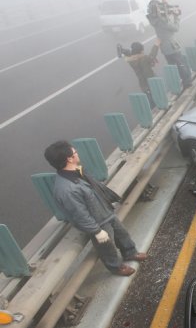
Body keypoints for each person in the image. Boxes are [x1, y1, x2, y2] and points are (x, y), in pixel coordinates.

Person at [44, 141, 148, 276]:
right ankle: (115, 267)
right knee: (107, 247)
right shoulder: (67, 189)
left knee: (122, 234)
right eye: (75, 152)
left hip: (105, 213)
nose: (77, 153)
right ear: (69, 159)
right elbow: (79, 214)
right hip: (98, 222)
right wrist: (97, 231)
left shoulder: (76, 171)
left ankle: (130, 253)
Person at [147, 0, 192, 88]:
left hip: (165, 48)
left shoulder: (153, 19)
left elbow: (162, 17)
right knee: (181, 64)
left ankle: (176, 83)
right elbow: (175, 28)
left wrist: (165, 7)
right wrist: (176, 17)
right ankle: (187, 82)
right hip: (172, 46)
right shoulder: (162, 21)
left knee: (172, 67)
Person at [123, 39, 159, 108]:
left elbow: (144, 62)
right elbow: (152, 56)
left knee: (150, 101)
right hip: (151, 82)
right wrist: (156, 45)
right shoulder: (144, 58)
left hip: (143, 85)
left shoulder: (131, 61)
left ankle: (153, 111)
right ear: (141, 51)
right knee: (157, 98)